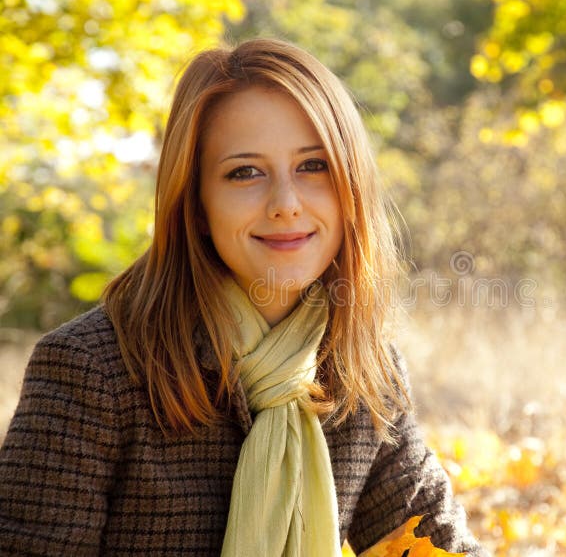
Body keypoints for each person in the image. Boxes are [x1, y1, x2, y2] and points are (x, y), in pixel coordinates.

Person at [0, 38, 486, 556]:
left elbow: (440, 545)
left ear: (352, 188)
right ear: (197, 204)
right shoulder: (91, 371)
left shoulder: (364, 371)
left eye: (313, 166)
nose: (286, 204)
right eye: (244, 173)